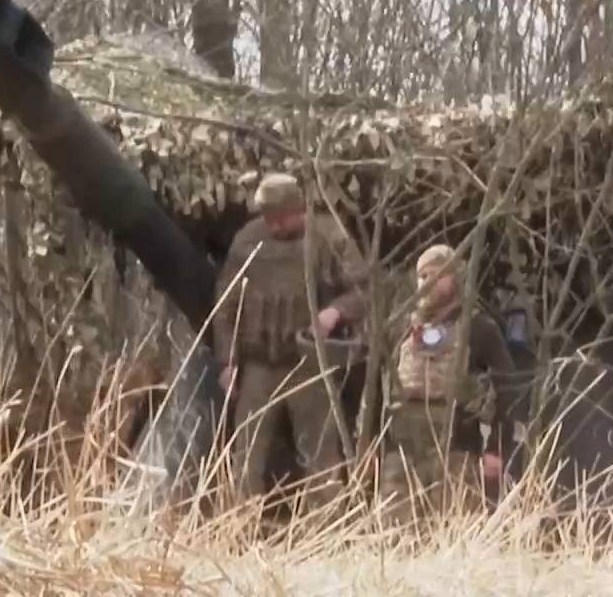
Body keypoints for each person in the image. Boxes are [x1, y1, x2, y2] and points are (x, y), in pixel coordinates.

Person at [213, 172, 369, 510]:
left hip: (309, 365)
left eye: (282, 217)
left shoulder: (329, 236)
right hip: (258, 365)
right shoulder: (247, 241)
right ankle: (237, 527)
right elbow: (226, 305)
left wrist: (334, 312)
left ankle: (327, 526)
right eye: (269, 217)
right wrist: (227, 362)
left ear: (299, 209)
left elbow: (363, 291)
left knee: (321, 457)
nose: (275, 225)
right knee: (246, 458)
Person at [378, 243, 521, 522]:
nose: (427, 282)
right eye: (422, 276)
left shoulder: (478, 327)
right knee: (394, 534)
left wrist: (496, 448)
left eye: (437, 274)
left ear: (455, 278)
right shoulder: (401, 328)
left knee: (454, 529)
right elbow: (380, 387)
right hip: (401, 454)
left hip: (457, 450)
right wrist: (372, 444)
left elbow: (508, 389)